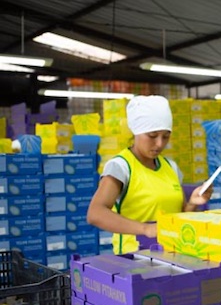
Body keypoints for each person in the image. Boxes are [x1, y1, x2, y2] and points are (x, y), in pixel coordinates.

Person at [87, 95, 212, 254]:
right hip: (134, 258)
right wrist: (146, 229)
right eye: (152, 136)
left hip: (173, 255)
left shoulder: (170, 167)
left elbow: (178, 218)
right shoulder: (122, 167)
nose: (159, 144)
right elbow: (95, 213)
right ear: (136, 132)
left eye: (166, 136)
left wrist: (193, 203)